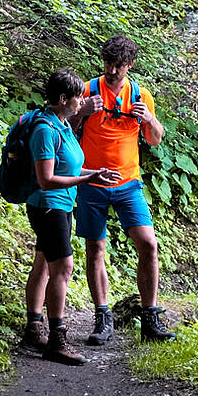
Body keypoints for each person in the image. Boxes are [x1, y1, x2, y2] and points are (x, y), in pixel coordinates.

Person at [71, 35, 176, 345]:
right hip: (90, 180)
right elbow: (67, 127)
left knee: (148, 245)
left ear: (131, 65)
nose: (112, 70)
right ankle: (103, 319)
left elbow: (156, 139)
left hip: (129, 182)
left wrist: (150, 119)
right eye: (108, 63)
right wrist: (83, 112)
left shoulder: (140, 95)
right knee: (96, 249)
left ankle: (150, 319)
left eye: (119, 65)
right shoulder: (88, 90)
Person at [19, 68, 121, 365]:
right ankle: (57, 338)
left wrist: (95, 174)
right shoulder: (45, 130)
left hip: (61, 204)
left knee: (44, 262)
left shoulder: (62, 125)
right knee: (63, 268)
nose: (83, 102)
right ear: (64, 99)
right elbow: (46, 179)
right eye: (79, 98)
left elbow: (70, 169)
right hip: (49, 205)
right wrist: (86, 181)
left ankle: (34, 325)